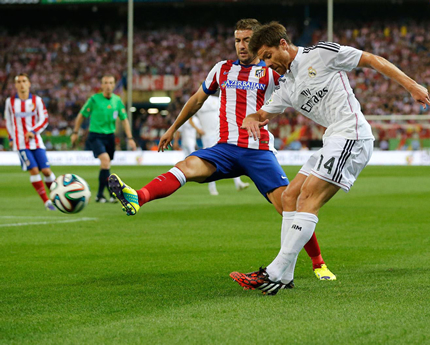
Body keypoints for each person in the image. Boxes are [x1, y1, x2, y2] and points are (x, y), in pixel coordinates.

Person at [108, 18, 334, 281]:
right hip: (224, 149)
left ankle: (318, 263)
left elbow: (302, 93)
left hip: (257, 151)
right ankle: (138, 197)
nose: (241, 45)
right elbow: (196, 99)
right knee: (186, 166)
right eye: (237, 40)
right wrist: (173, 127)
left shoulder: (271, 71)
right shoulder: (222, 70)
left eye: (247, 40)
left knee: (288, 205)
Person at [230, 22, 430, 295]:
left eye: (268, 56)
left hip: (352, 136)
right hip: (333, 141)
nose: (268, 65)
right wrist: (251, 117)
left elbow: (371, 60)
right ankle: (285, 275)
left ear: (283, 44)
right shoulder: (288, 84)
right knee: (290, 196)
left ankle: (274, 272)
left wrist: (412, 86)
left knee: (308, 198)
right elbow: (263, 114)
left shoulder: (321, 53)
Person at [71, 75, 137, 203]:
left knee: (106, 165)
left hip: (110, 137)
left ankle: (103, 195)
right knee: (105, 161)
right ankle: (107, 194)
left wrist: (130, 137)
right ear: (101, 85)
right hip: (95, 135)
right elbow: (81, 115)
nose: (108, 85)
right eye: (105, 83)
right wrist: (75, 132)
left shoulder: (117, 100)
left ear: (113, 85)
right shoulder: (94, 99)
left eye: (111, 83)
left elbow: (124, 119)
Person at [4, 73, 57, 211]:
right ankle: (47, 202)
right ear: (15, 85)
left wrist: (33, 131)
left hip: (37, 142)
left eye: (24, 81)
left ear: (29, 84)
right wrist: (11, 138)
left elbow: (44, 119)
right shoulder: (10, 102)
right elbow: (9, 122)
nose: (22, 84)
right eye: (19, 81)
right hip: (20, 143)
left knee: (46, 171)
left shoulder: (37, 100)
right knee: (33, 170)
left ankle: (57, 196)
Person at [194, 95, 250, 195]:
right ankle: (212, 187)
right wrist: (198, 128)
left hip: (220, 133)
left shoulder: (216, 100)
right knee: (210, 162)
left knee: (230, 157)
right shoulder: (198, 101)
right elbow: (191, 117)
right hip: (207, 135)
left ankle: (238, 183)